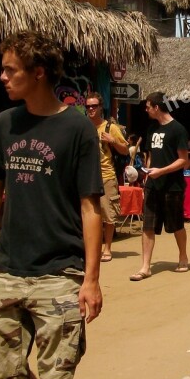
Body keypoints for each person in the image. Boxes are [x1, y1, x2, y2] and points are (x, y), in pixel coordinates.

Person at [0, 31, 103, 379]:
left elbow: (91, 207)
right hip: (9, 267)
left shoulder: (78, 128)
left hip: (60, 271)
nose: (2, 77)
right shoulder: (4, 124)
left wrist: (91, 280)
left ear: (38, 72)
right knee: (0, 364)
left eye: (10, 70)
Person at [129, 92, 190, 281]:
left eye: (148, 106)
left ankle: (183, 256)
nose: (145, 110)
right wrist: (147, 173)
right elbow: (150, 156)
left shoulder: (178, 129)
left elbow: (183, 160)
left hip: (173, 186)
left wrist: (162, 171)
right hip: (152, 185)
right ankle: (145, 266)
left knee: (176, 225)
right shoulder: (151, 129)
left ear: (157, 107)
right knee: (148, 226)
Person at [85, 93, 129, 262]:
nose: (90, 109)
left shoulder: (110, 127)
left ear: (100, 107)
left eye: (94, 106)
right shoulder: (83, 126)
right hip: (86, 175)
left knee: (108, 214)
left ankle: (107, 248)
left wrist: (113, 141)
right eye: (88, 106)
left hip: (106, 175)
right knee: (87, 212)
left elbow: (125, 150)